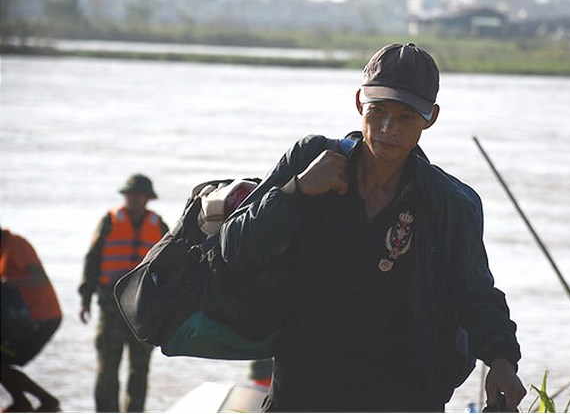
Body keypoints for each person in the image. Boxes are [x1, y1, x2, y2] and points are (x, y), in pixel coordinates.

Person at [216, 42, 527, 412]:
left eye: (406, 117)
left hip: (404, 395)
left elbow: (475, 293)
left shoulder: (450, 204)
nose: (386, 128)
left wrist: (502, 361)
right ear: (359, 102)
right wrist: (296, 190)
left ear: (431, 117)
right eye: (378, 111)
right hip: (302, 390)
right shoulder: (309, 160)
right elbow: (234, 249)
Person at [78, 174, 169, 413]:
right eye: (130, 194)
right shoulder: (109, 221)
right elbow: (93, 259)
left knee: (140, 369)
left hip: (143, 310)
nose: (134, 199)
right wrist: (85, 298)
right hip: (111, 307)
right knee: (107, 367)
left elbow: (172, 266)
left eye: (138, 195)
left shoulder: (159, 226)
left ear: (147, 198)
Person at [1, 227, 62, 413]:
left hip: (43, 318)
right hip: (20, 320)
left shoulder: (16, 244)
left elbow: (39, 278)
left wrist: (9, 283)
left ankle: (47, 402)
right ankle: (22, 403)